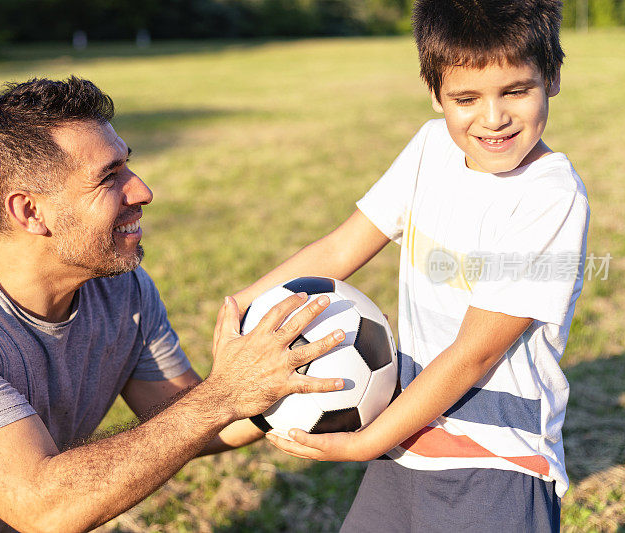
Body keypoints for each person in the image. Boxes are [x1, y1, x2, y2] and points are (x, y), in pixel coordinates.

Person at [0, 77, 348, 533]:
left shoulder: (120, 288)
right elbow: (42, 507)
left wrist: (293, 380)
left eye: (127, 164)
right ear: (30, 211)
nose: (143, 191)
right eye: (110, 176)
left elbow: (193, 417)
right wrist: (223, 395)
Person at [233, 1, 590, 531]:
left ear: (552, 78)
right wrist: (240, 310)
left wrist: (362, 444)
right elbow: (338, 249)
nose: (493, 118)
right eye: (466, 98)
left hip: (495, 463)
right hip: (407, 439)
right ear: (435, 93)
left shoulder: (551, 198)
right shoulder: (430, 149)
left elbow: (475, 353)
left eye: (516, 90)